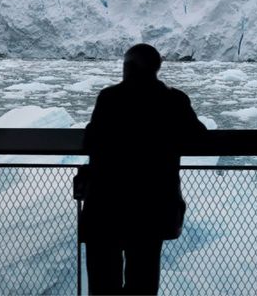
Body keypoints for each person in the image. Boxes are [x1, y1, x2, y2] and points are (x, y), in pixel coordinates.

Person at [81, 43, 206, 295]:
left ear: (128, 68)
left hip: (107, 204)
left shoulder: (109, 98)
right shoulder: (174, 100)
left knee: (103, 281)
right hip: (152, 206)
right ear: (156, 68)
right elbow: (199, 139)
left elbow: (90, 142)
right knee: (143, 280)